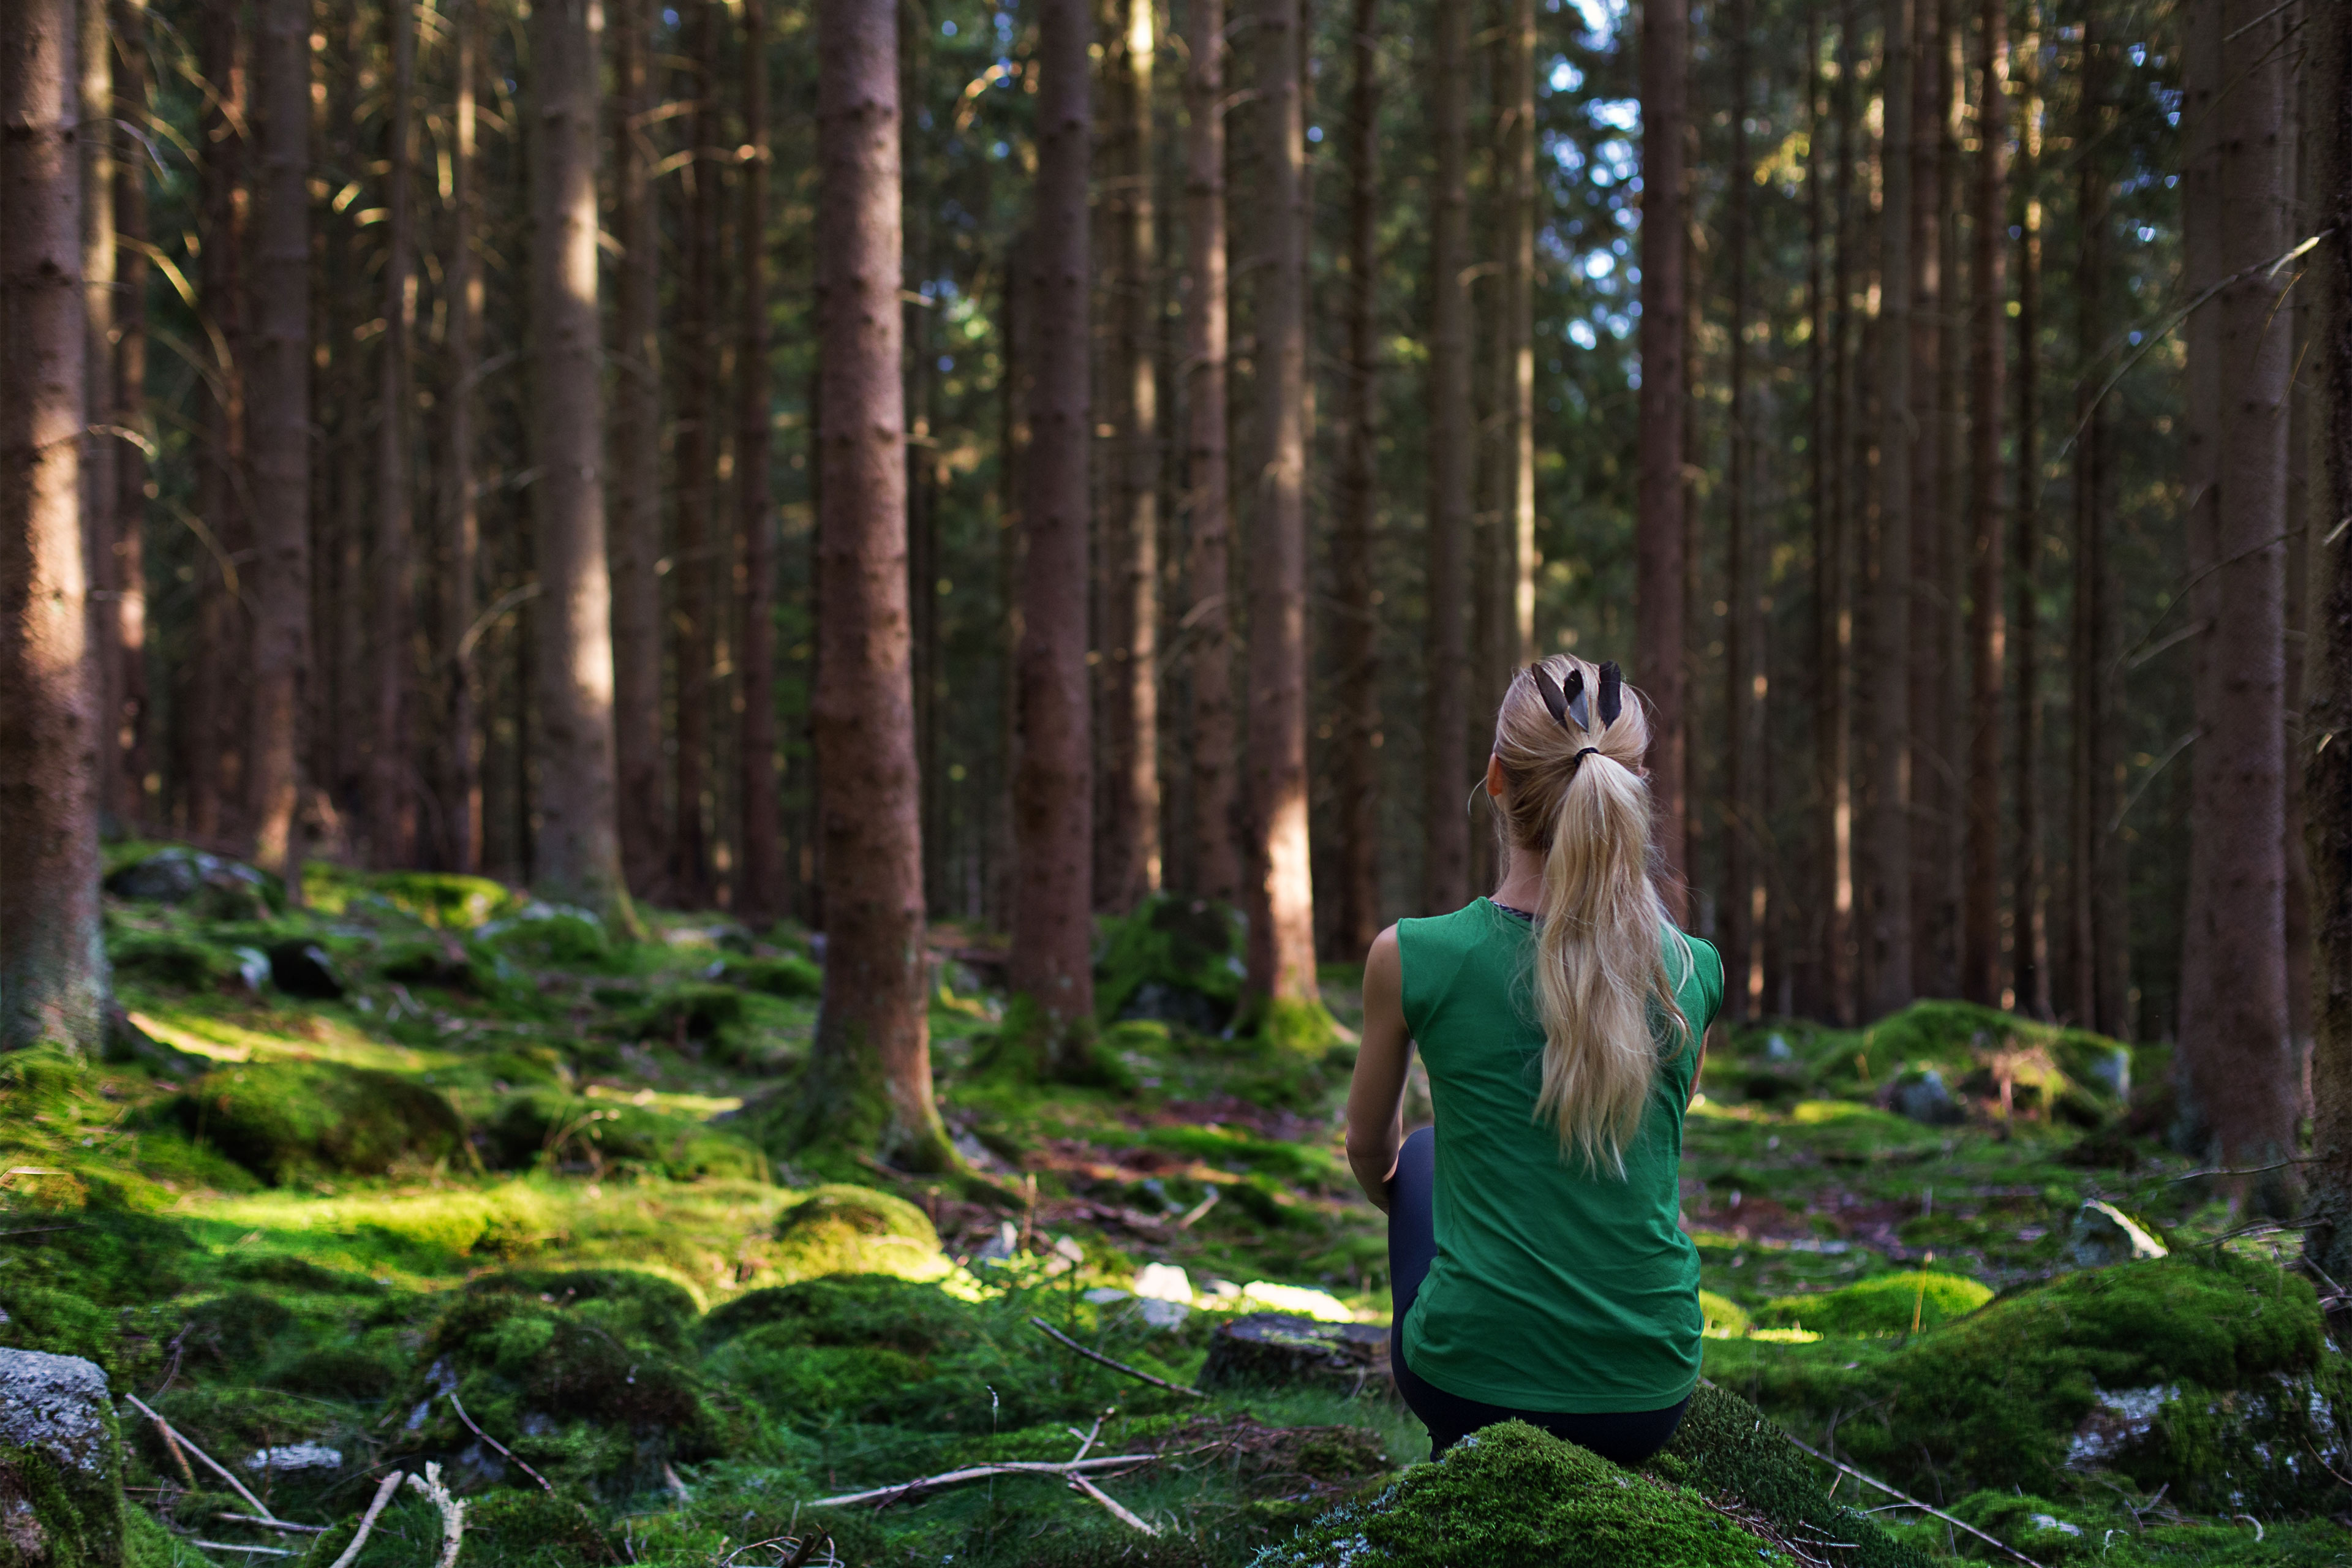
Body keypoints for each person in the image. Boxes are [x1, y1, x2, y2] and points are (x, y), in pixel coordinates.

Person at [1346, 655, 1724, 1463]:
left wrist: (1467, 1227)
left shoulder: (1414, 955)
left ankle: (1472, 1409)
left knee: (1422, 1152)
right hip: (1649, 1395)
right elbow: (1658, 1137)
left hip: (1466, 1389)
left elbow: (1366, 1151)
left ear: (1496, 779)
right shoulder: (1689, 971)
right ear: (1634, 786)